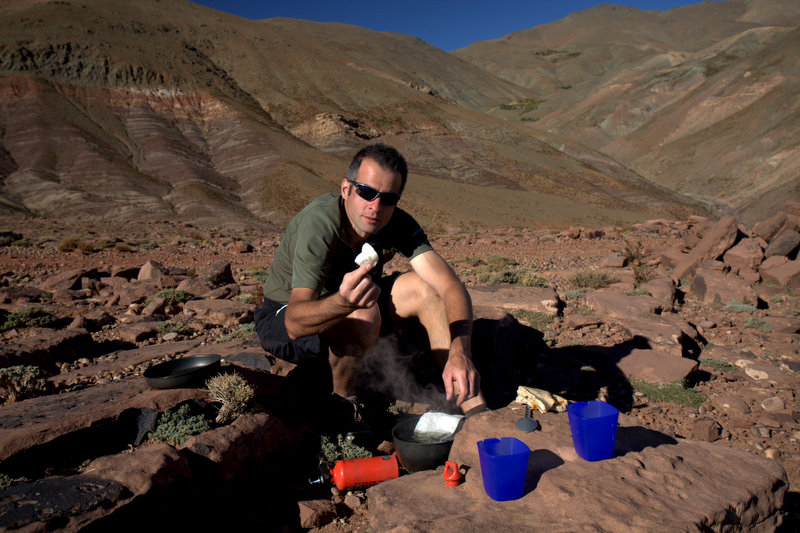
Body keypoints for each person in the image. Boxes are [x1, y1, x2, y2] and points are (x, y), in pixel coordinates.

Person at [255, 144, 486, 425]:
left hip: (357, 307)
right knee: (363, 312)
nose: (376, 207)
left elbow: (449, 285)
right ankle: (342, 406)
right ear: (346, 189)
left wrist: (460, 352)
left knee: (427, 289)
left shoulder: (397, 223)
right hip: (285, 317)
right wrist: (343, 303)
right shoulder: (320, 224)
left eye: (388, 198)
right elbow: (294, 322)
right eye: (366, 192)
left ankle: (467, 401)